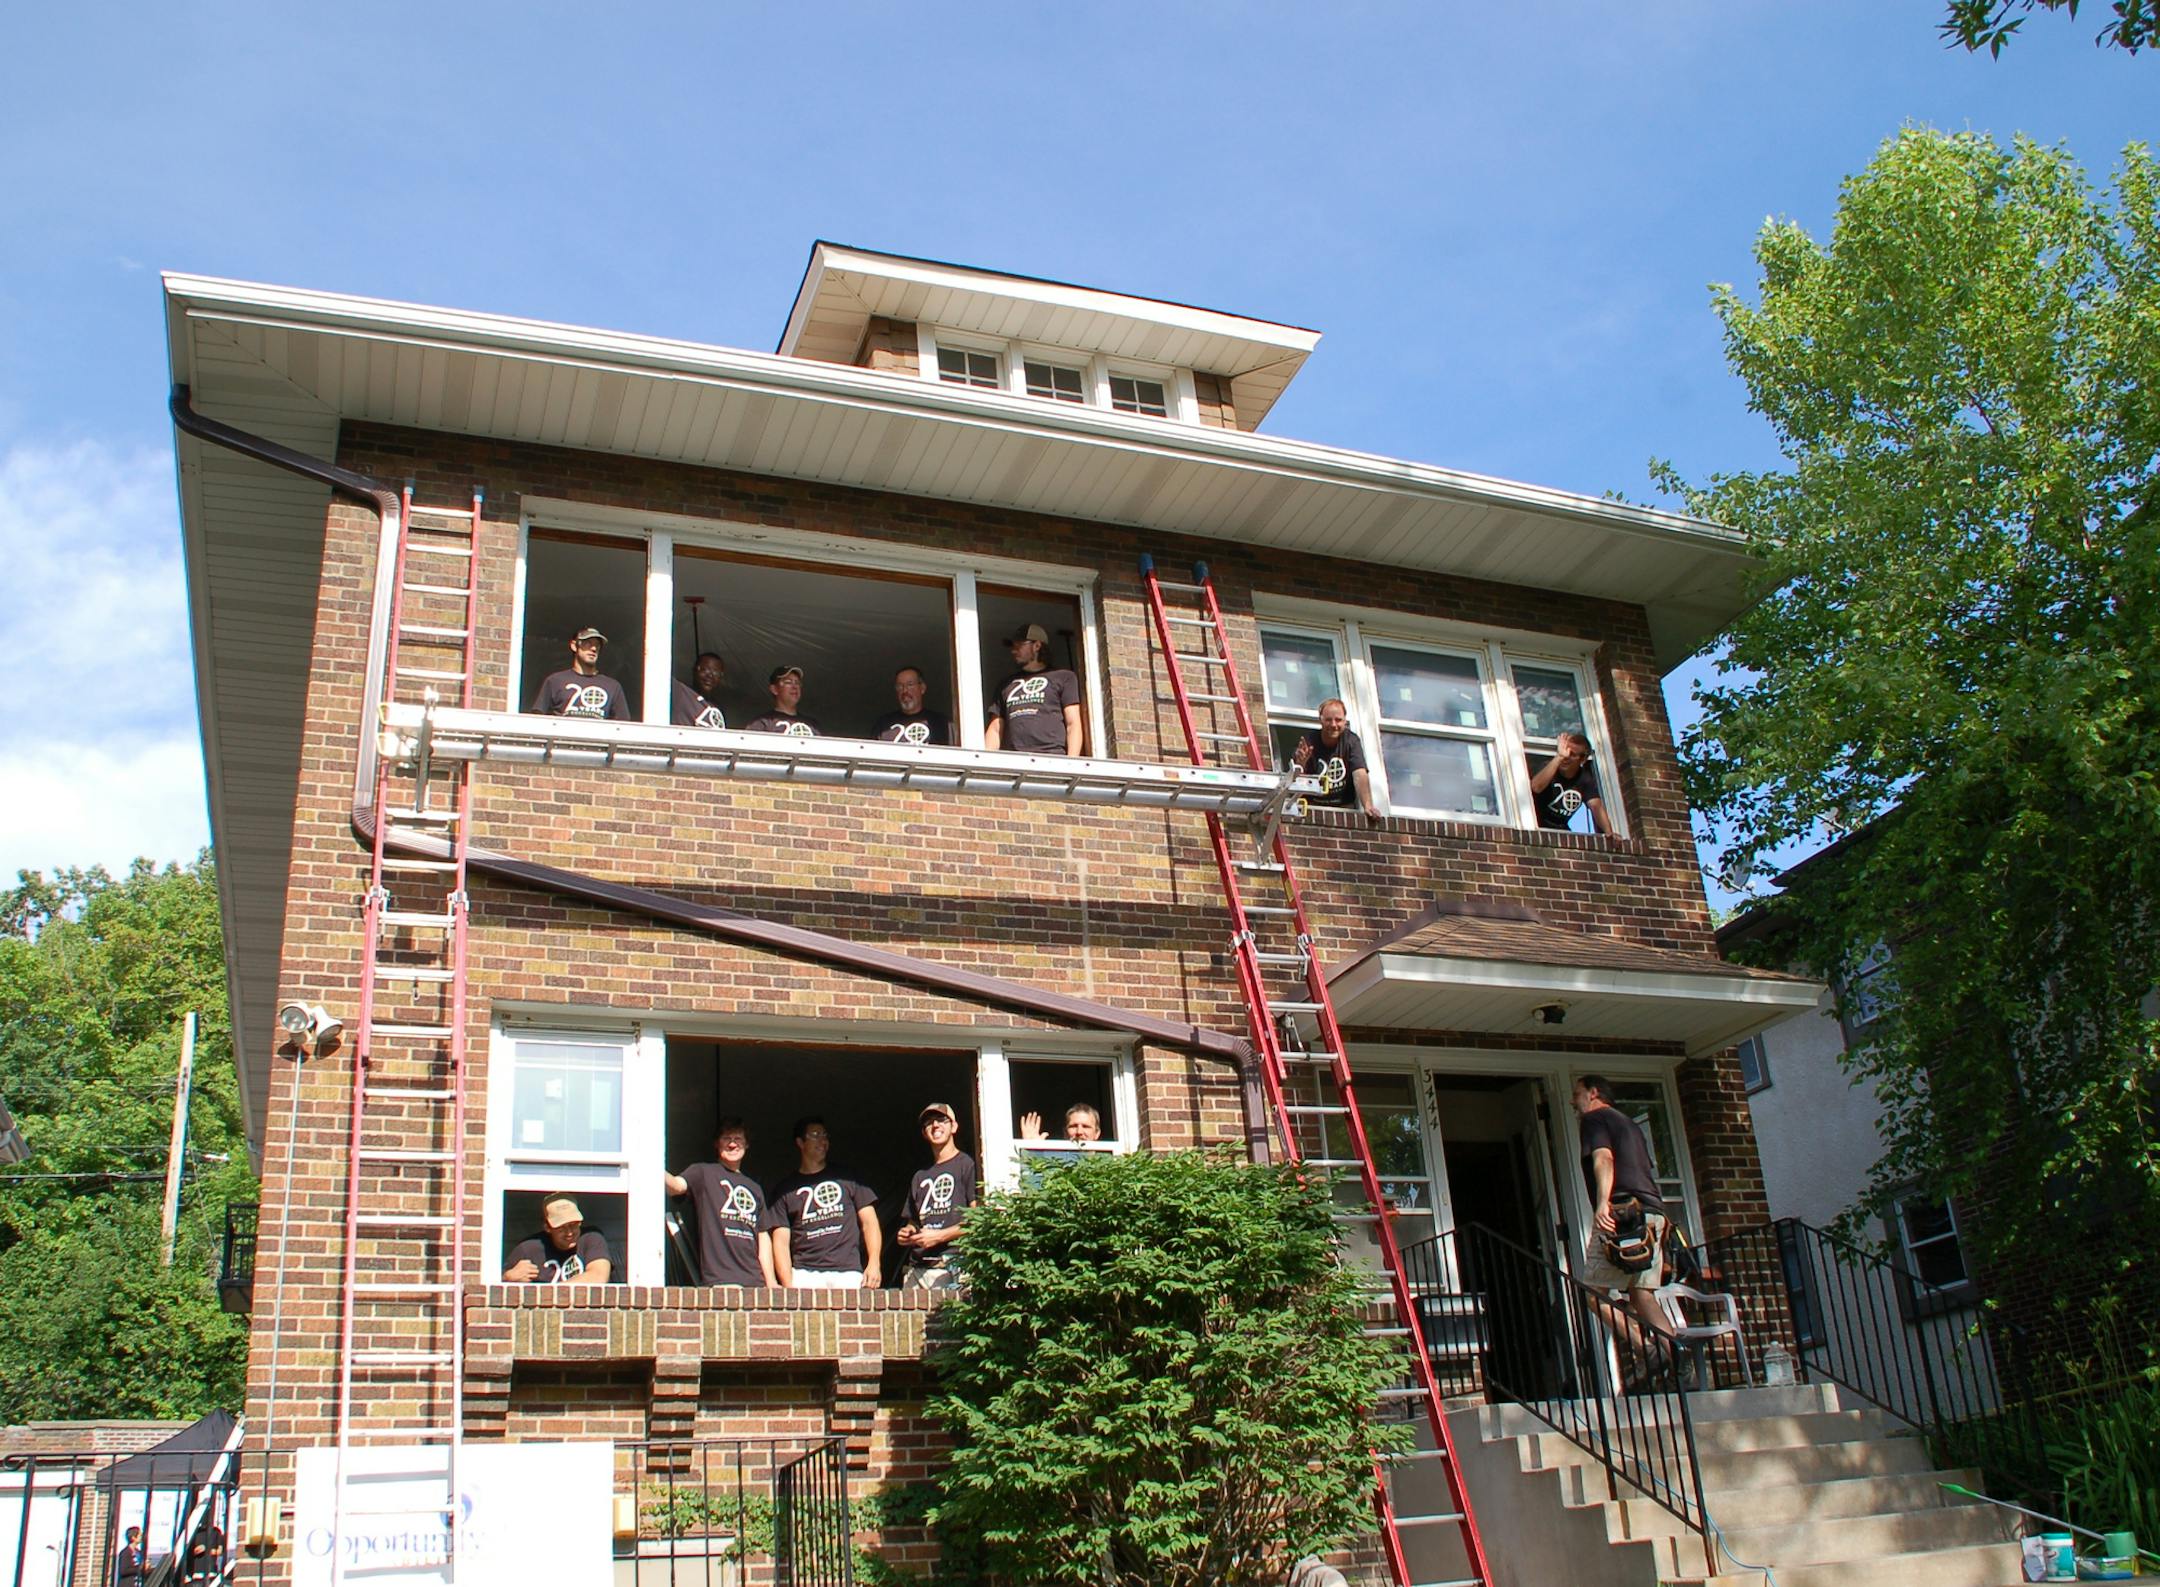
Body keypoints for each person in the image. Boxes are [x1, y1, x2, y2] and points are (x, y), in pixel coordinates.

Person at [1571, 1075, 1672, 1380]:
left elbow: (1604, 1159)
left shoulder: (1594, 1118)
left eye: (1576, 1094)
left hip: (1620, 1214)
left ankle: (1649, 1351)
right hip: (1651, 1213)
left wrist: (1603, 1203)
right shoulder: (1629, 1125)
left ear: (1593, 1093)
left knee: (1593, 1294)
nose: (1573, 1102)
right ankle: (1677, 1361)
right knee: (1642, 1294)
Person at [768, 1117, 880, 1289]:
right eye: (815, 1135)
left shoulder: (848, 1177)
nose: (823, 1140)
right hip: (805, 1274)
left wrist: (874, 1264)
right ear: (800, 1142)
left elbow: (869, 1222)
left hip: (848, 1273)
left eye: (825, 1136)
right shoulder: (785, 1189)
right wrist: (788, 1284)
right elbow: (780, 1240)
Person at [664, 1117, 774, 1287]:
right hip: (721, 1281)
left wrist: (771, 1282)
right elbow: (675, 1187)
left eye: (738, 1139)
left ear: (746, 1144)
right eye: (726, 1139)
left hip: (755, 1282)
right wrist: (647, 1161)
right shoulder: (703, 1173)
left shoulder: (754, 1188)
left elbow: (762, 1235)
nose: (732, 1144)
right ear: (717, 1144)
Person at [895, 1102, 977, 1291]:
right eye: (929, 1123)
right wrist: (907, 1233)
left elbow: (978, 1221)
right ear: (924, 1133)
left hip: (954, 1263)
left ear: (954, 1126)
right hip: (918, 1268)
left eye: (941, 1120)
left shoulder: (968, 1165)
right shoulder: (920, 1175)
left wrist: (939, 1236)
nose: (935, 1125)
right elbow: (914, 1222)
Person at [984, 623, 1083, 755]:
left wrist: (1072, 763)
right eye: (1013, 646)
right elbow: (995, 728)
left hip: (1052, 757)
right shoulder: (1006, 684)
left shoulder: (1063, 677)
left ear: (1037, 646)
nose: (1014, 650)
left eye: (1019, 645)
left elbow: (1073, 723)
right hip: (1015, 760)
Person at [1290, 698, 1381, 818]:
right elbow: (1294, 782)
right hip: (1313, 807)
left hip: (1344, 808)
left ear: (1345, 721)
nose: (1333, 725)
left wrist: (1368, 806)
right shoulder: (1309, 742)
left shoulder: (1351, 741)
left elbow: (1359, 773)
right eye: (1328, 720)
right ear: (1320, 720)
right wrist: (1300, 765)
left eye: (1338, 720)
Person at [502, 1194, 614, 1284]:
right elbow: (495, 1285)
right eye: (561, 1227)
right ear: (547, 1227)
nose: (569, 1232)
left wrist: (550, 1293)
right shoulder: (528, 1248)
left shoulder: (591, 1237)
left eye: (574, 1224)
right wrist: (508, 1277)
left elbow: (598, 1277)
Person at [527, 627, 633, 719]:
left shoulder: (612, 686)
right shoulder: (555, 681)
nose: (593, 648)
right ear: (574, 646)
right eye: (588, 644)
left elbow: (622, 725)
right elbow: (538, 717)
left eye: (597, 645)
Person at [1527, 729, 1612, 835]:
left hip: (1560, 829)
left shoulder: (1584, 779)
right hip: (1535, 825)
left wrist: (1609, 832)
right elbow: (1536, 787)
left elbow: (1596, 806)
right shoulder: (1549, 768)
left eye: (1572, 754)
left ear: (1583, 759)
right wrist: (1559, 756)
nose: (1566, 757)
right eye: (1565, 750)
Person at [872, 665, 956, 746]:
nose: (905, 690)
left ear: (922, 688)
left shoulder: (942, 723)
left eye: (910, 684)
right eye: (900, 686)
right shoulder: (883, 724)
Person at [741, 664, 821, 736]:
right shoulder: (762, 723)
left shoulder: (812, 724)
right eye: (788, 682)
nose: (794, 686)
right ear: (774, 689)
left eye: (797, 683)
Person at [671, 651, 728, 729]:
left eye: (715, 672)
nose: (710, 676)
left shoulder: (717, 708)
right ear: (695, 670)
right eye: (705, 670)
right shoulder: (681, 693)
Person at [1019, 1103, 1102, 1144]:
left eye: (1086, 1126)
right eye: (1073, 1126)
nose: (1079, 1132)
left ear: (1097, 1133)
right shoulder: (1053, 1165)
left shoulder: (1109, 1167)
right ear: (1065, 1132)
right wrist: (1033, 1149)